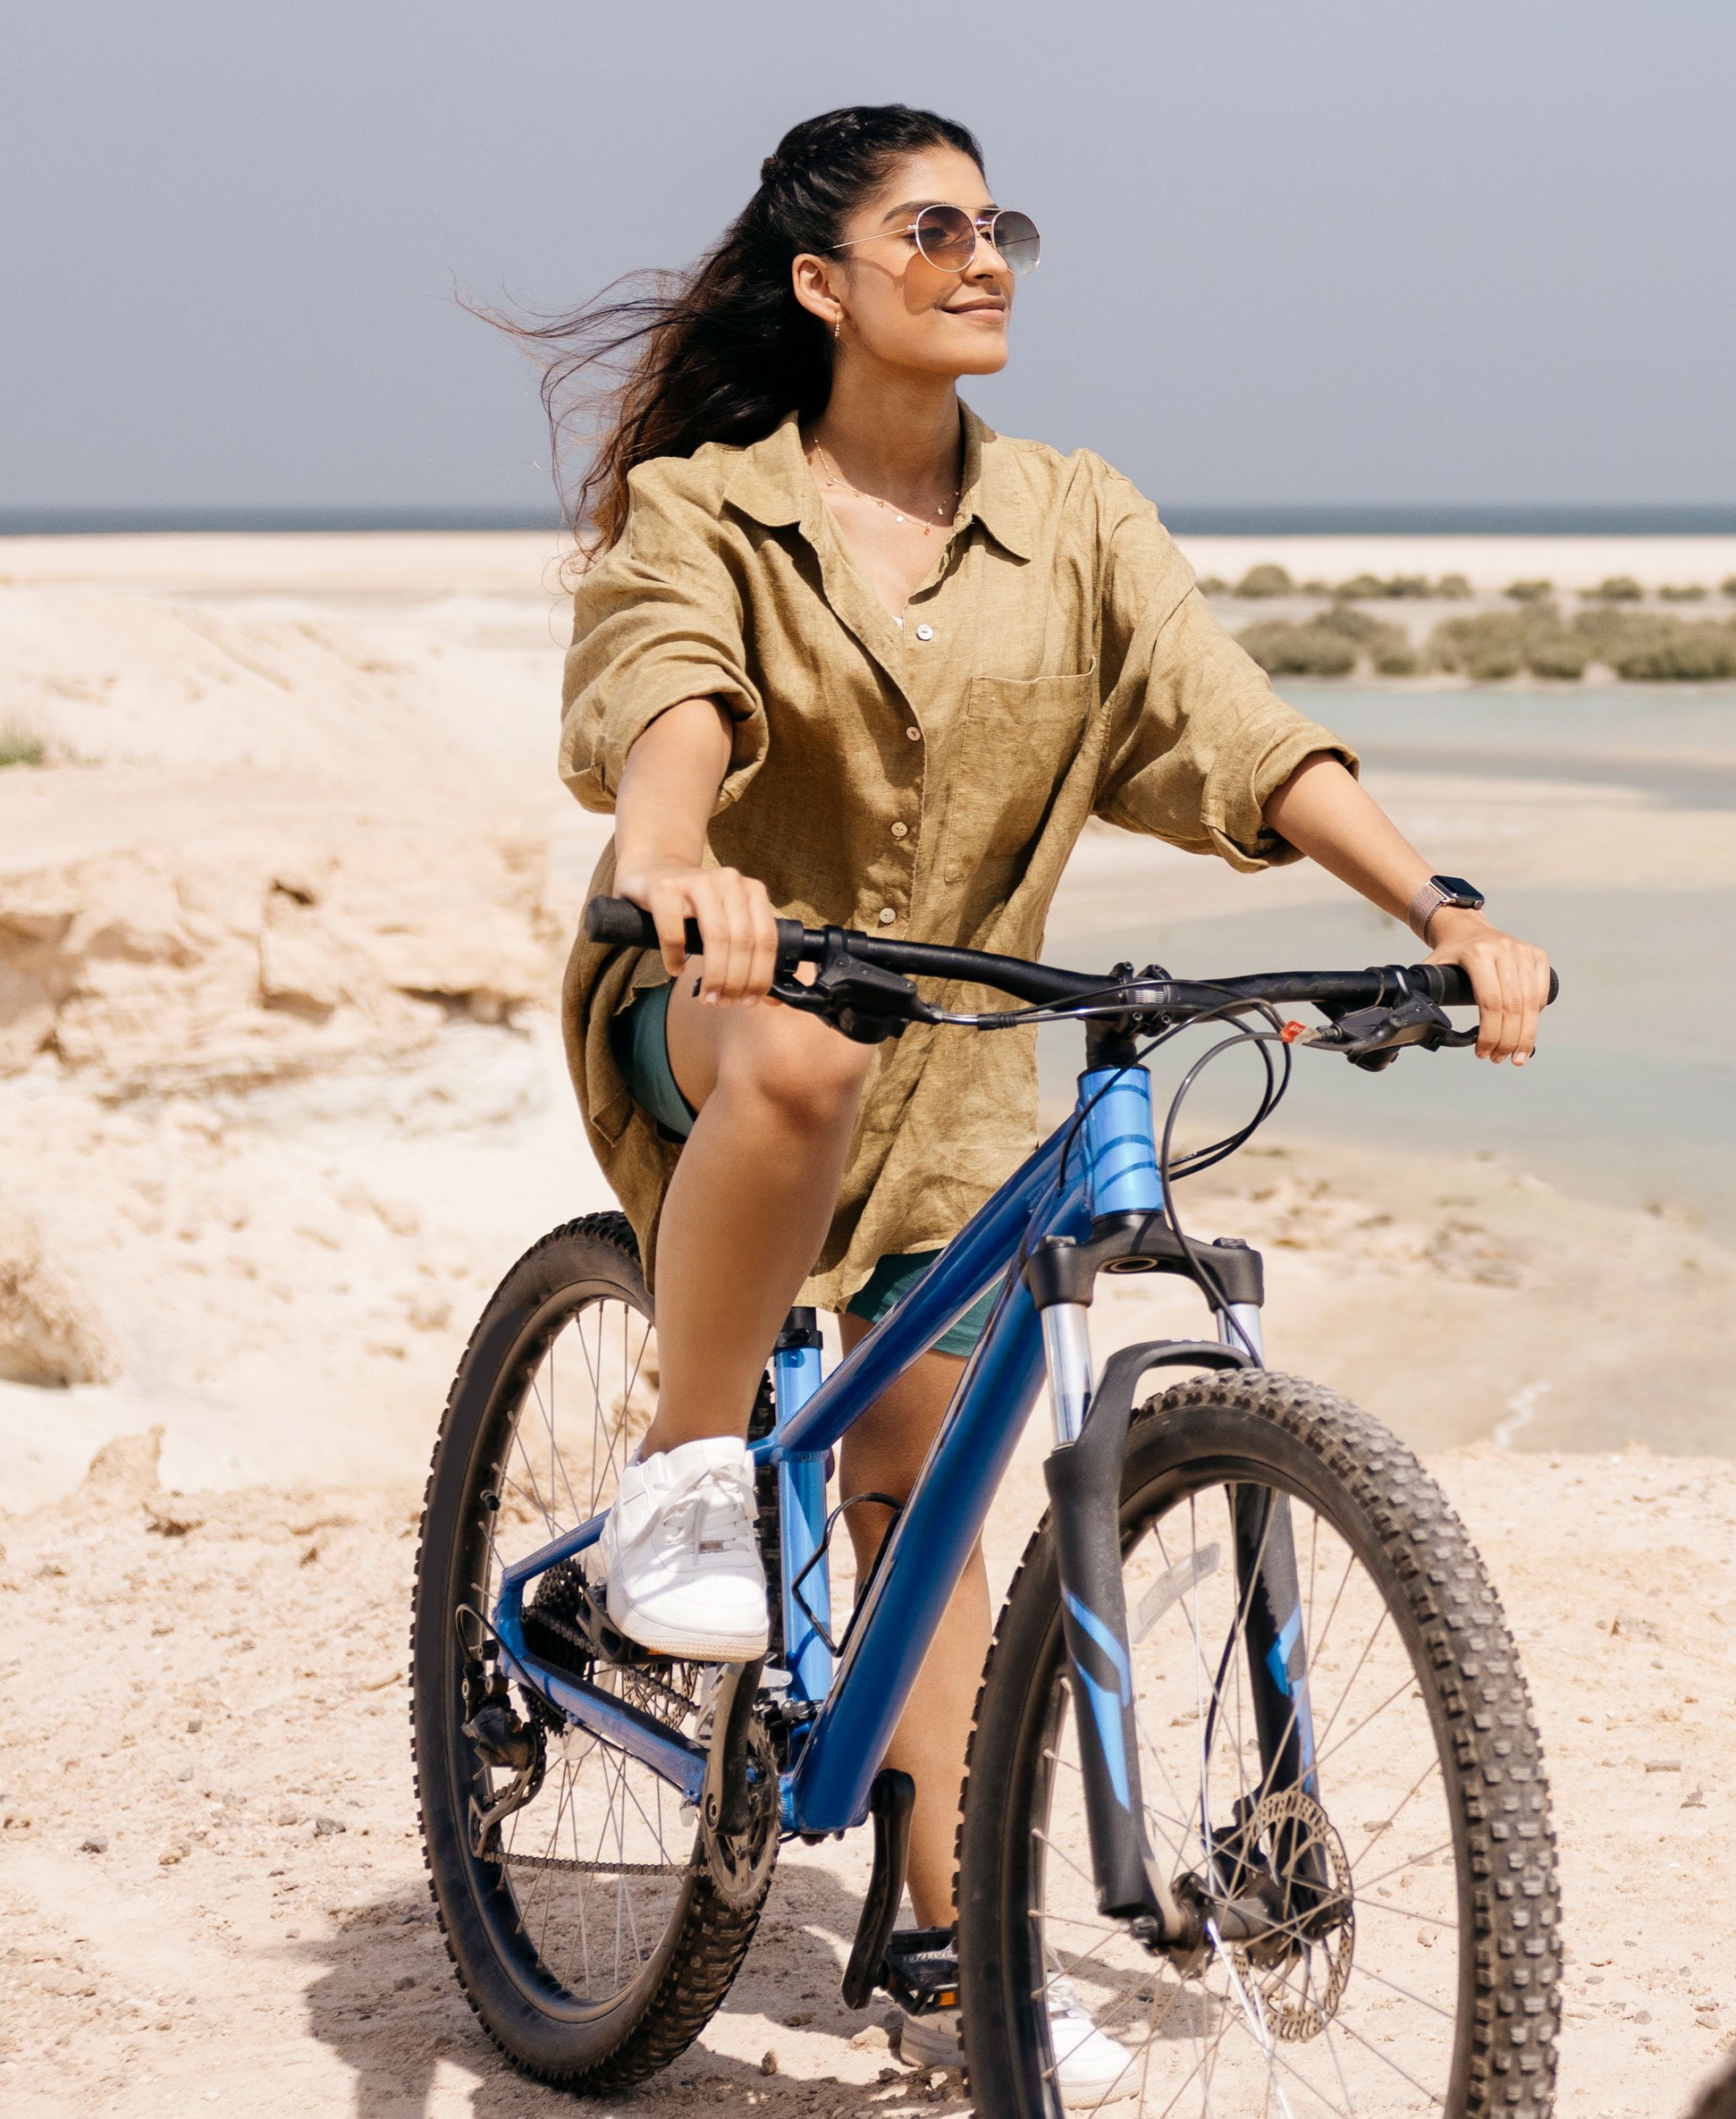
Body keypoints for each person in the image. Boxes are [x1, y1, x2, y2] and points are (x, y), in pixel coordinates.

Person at [513, 104, 1553, 2059]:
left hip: (962, 1052)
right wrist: (674, 861)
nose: (981, 256)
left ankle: (933, 1946)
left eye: (1000, 224)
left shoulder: (1075, 517)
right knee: (807, 1058)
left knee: (924, 1474)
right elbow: (670, 696)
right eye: (930, 230)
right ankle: (684, 1476)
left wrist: (1440, 903)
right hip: (721, 995)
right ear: (823, 284)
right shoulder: (713, 509)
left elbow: (1227, 722)